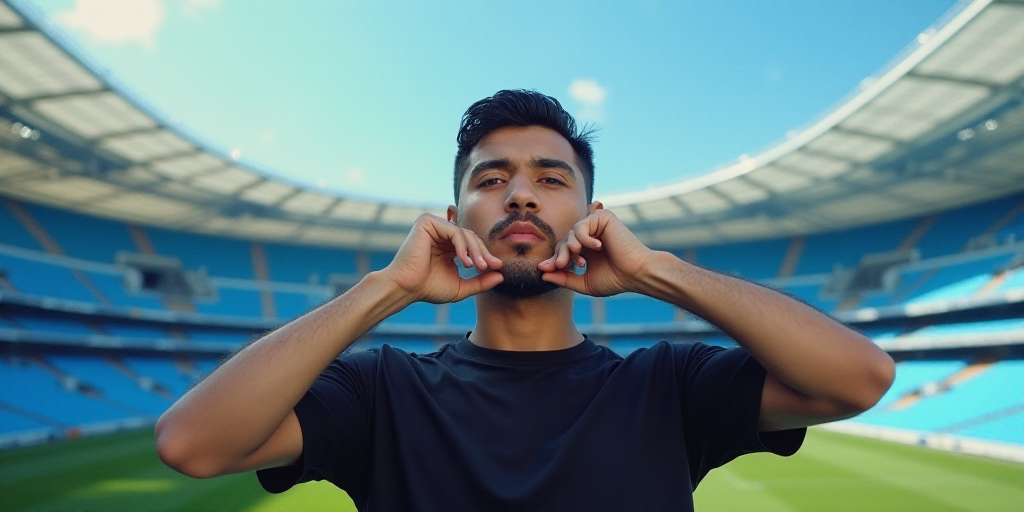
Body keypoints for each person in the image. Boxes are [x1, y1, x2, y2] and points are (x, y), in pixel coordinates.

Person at [155, 90, 895, 511]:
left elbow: (858, 378)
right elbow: (192, 444)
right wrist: (387, 289)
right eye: (488, 180)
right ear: (452, 223)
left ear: (592, 212)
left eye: (550, 178)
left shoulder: (667, 384)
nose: (517, 193)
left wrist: (657, 272)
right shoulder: (383, 390)